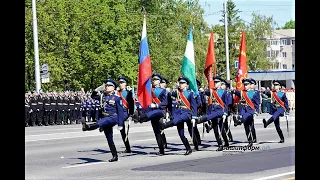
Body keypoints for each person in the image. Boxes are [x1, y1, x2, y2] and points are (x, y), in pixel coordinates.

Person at [81, 78, 124, 162]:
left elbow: (120, 112)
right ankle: (115, 156)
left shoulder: (117, 98)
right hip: (105, 117)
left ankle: (88, 126)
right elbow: (93, 96)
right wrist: (96, 89)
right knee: (109, 138)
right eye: (106, 85)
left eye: (109, 86)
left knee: (100, 122)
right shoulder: (102, 96)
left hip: (113, 117)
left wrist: (120, 124)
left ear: (113, 88)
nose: (107, 87)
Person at [159, 76, 197, 155]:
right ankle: (188, 148)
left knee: (189, 129)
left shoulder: (190, 93)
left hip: (187, 113)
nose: (180, 84)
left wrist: (194, 116)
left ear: (186, 84)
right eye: (179, 83)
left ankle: (164, 125)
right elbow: (168, 96)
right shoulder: (176, 92)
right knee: (181, 134)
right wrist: (165, 90)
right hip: (179, 112)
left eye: (182, 83)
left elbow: (194, 106)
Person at [132, 73, 167, 155]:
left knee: (160, 129)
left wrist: (156, 105)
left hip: (160, 111)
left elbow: (165, 102)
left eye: (156, 80)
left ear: (159, 81)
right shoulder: (149, 90)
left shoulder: (163, 91)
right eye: (153, 79)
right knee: (156, 131)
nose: (154, 81)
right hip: (151, 112)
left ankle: (140, 118)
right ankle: (161, 149)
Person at [195, 76, 230, 151]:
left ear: (220, 83)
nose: (215, 83)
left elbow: (226, 104)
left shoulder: (224, 92)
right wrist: (198, 90)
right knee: (215, 130)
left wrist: (225, 114)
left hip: (220, 111)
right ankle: (220, 144)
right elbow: (203, 93)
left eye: (217, 82)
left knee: (222, 130)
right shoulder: (211, 91)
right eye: (214, 82)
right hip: (213, 111)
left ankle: (226, 142)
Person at [232, 78, 260, 147]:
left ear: (250, 85)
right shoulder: (242, 92)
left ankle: (238, 122)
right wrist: (232, 91)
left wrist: (256, 112)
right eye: (244, 85)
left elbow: (257, 103)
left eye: (247, 85)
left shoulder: (255, 93)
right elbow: (236, 92)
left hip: (251, 111)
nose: (245, 86)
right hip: (244, 111)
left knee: (251, 125)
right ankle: (250, 141)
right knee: (246, 127)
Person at [116, 76, 134, 153]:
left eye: (122, 82)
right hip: (117, 112)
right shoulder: (117, 93)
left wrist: (131, 114)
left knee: (121, 127)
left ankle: (128, 148)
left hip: (124, 112)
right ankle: (128, 148)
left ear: (125, 84)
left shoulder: (128, 93)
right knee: (122, 132)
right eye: (120, 83)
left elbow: (131, 104)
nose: (121, 84)